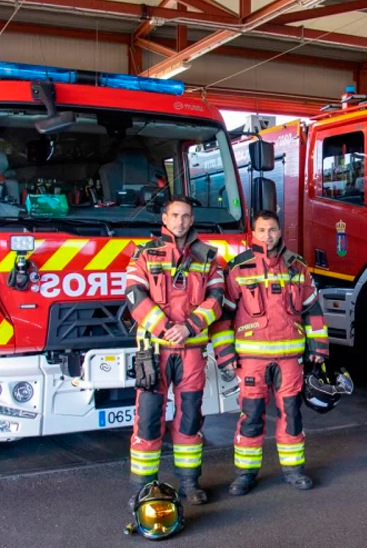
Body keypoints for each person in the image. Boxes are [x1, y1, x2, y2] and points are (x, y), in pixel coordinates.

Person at [210, 210, 329, 496]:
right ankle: (245, 474)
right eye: (262, 230)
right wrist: (225, 354)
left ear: (280, 232)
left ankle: (294, 470)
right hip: (251, 361)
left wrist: (319, 348)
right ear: (253, 233)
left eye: (272, 230)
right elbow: (223, 315)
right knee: (251, 417)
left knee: (291, 416)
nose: (268, 235)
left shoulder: (297, 267)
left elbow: (312, 308)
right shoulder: (239, 268)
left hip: (290, 359)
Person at [124, 195, 225, 504]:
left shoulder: (208, 257)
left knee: (190, 419)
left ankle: (190, 485)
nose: (181, 221)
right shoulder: (144, 254)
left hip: (192, 351)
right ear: (164, 219)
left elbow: (217, 299)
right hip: (153, 352)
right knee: (148, 420)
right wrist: (165, 327)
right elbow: (133, 294)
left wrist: (189, 326)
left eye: (186, 216)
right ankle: (143, 489)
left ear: (192, 220)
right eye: (175, 215)